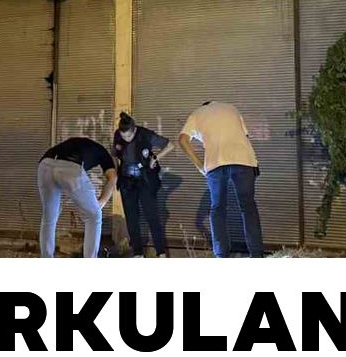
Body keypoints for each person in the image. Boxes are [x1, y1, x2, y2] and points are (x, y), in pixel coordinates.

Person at [177, 101, 263, 258]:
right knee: (248, 207)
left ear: (204, 106)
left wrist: (199, 165)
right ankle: (257, 255)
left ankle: (222, 255)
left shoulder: (197, 113)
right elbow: (245, 136)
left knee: (218, 208)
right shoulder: (232, 108)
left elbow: (182, 139)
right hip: (244, 161)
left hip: (215, 163)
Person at [37, 137, 117, 258]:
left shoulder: (81, 144)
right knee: (94, 216)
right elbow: (112, 177)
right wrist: (101, 202)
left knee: (49, 217)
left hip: (44, 164)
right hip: (70, 165)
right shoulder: (104, 154)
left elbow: (59, 173)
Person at [112, 112, 172, 257]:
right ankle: (138, 252)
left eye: (128, 136)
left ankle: (161, 252)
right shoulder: (118, 135)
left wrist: (155, 158)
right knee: (131, 218)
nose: (125, 139)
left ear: (134, 130)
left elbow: (170, 145)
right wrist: (115, 172)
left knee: (152, 216)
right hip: (127, 181)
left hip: (145, 180)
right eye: (123, 136)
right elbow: (114, 154)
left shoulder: (145, 134)